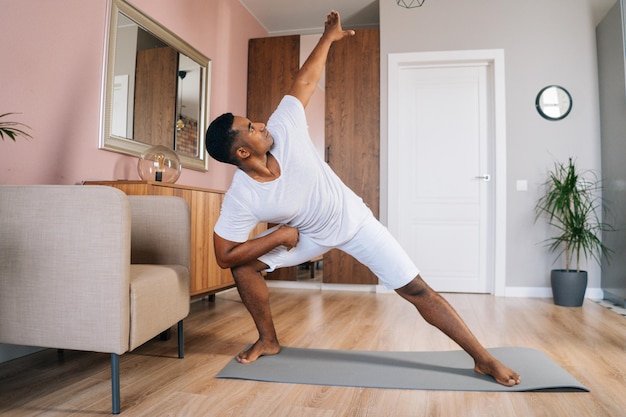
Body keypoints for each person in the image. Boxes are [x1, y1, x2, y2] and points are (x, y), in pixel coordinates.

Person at [205, 10, 521, 387]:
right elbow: (225, 257)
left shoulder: (284, 127)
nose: (260, 124)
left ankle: (483, 358)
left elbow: (305, 78)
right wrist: (277, 236)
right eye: (251, 128)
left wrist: (329, 38)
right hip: (305, 236)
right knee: (244, 268)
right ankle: (268, 340)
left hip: (354, 222)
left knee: (416, 288)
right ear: (242, 153)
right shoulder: (242, 196)